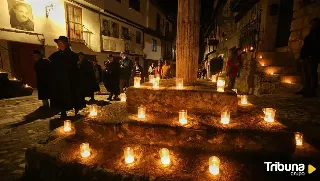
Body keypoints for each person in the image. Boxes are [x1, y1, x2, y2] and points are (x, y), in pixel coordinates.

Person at [49, 36, 85, 117]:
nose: (59, 44)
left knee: (73, 94)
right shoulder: (55, 55)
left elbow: (75, 68)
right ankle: (63, 111)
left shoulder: (72, 55)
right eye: (58, 43)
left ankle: (76, 109)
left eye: (61, 42)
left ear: (66, 44)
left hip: (71, 79)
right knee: (61, 96)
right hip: (60, 80)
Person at [296, 18, 320, 98]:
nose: (312, 25)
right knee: (305, 73)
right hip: (306, 56)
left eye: (313, 23)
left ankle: (312, 91)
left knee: (311, 73)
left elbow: (315, 46)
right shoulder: (312, 33)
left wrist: (311, 55)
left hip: (312, 57)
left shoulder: (317, 34)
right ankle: (306, 88)